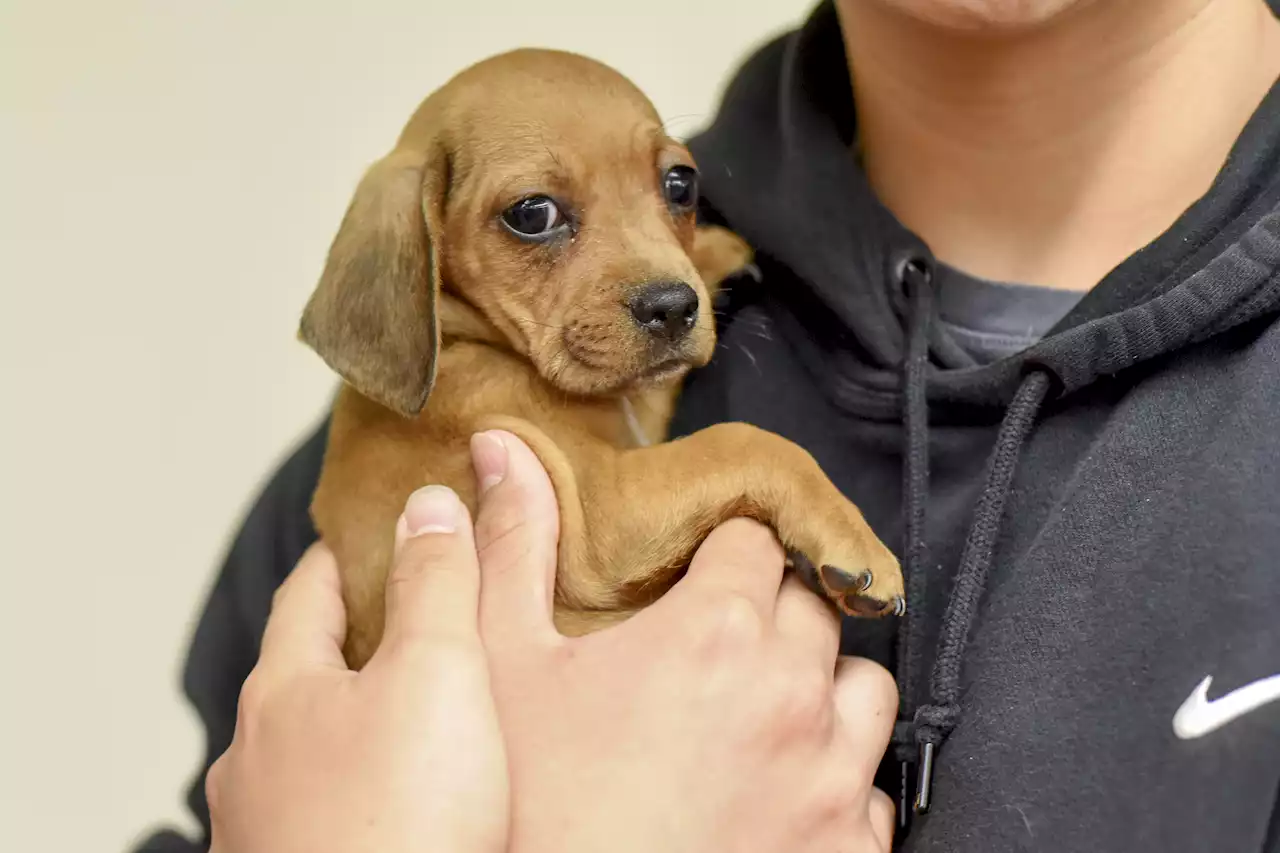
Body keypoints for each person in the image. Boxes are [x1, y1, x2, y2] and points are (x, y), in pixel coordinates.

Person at [133, 0, 1280, 850]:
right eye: (535, 219)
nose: (662, 274)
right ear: (426, 250)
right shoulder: (379, 457)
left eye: (672, 193)